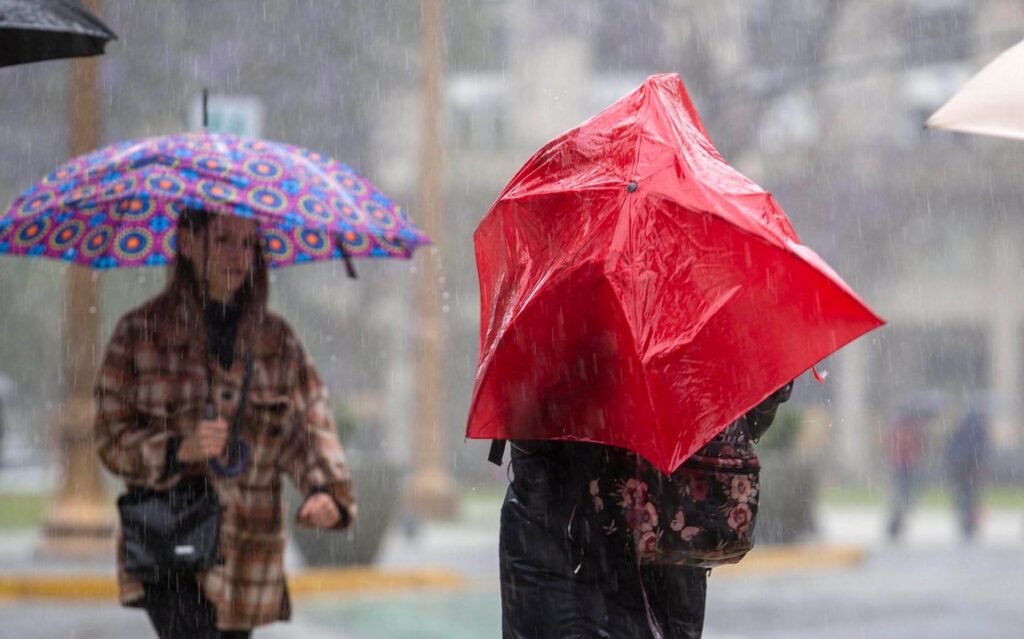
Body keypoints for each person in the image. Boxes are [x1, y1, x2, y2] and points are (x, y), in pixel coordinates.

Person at [95, 209, 356, 638]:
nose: (239, 256)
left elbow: (309, 425)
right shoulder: (139, 334)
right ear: (187, 243)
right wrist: (178, 448)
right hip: (170, 544)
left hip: (247, 557)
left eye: (249, 243)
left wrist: (324, 490)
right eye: (223, 241)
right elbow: (110, 436)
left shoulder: (276, 341)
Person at [496, 329, 792, 639]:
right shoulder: (687, 316)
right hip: (574, 548)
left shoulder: (690, 320)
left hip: (636, 550)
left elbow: (746, 421)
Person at [886, 406, 930, 540]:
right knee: (906, 494)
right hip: (907, 464)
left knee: (902, 494)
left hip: (902, 464)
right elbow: (922, 445)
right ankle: (900, 517)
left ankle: (898, 518)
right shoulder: (914, 428)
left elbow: (891, 445)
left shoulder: (899, 428)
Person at [946, 404, 989, 541]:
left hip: (961, 468)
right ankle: (970, 522)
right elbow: (981, 451)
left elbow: (952, 449)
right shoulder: (978, 431)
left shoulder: (961, 430)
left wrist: (954, 464)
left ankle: (966, 521)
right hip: (971, 468)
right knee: (972, 496)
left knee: (964, 495)